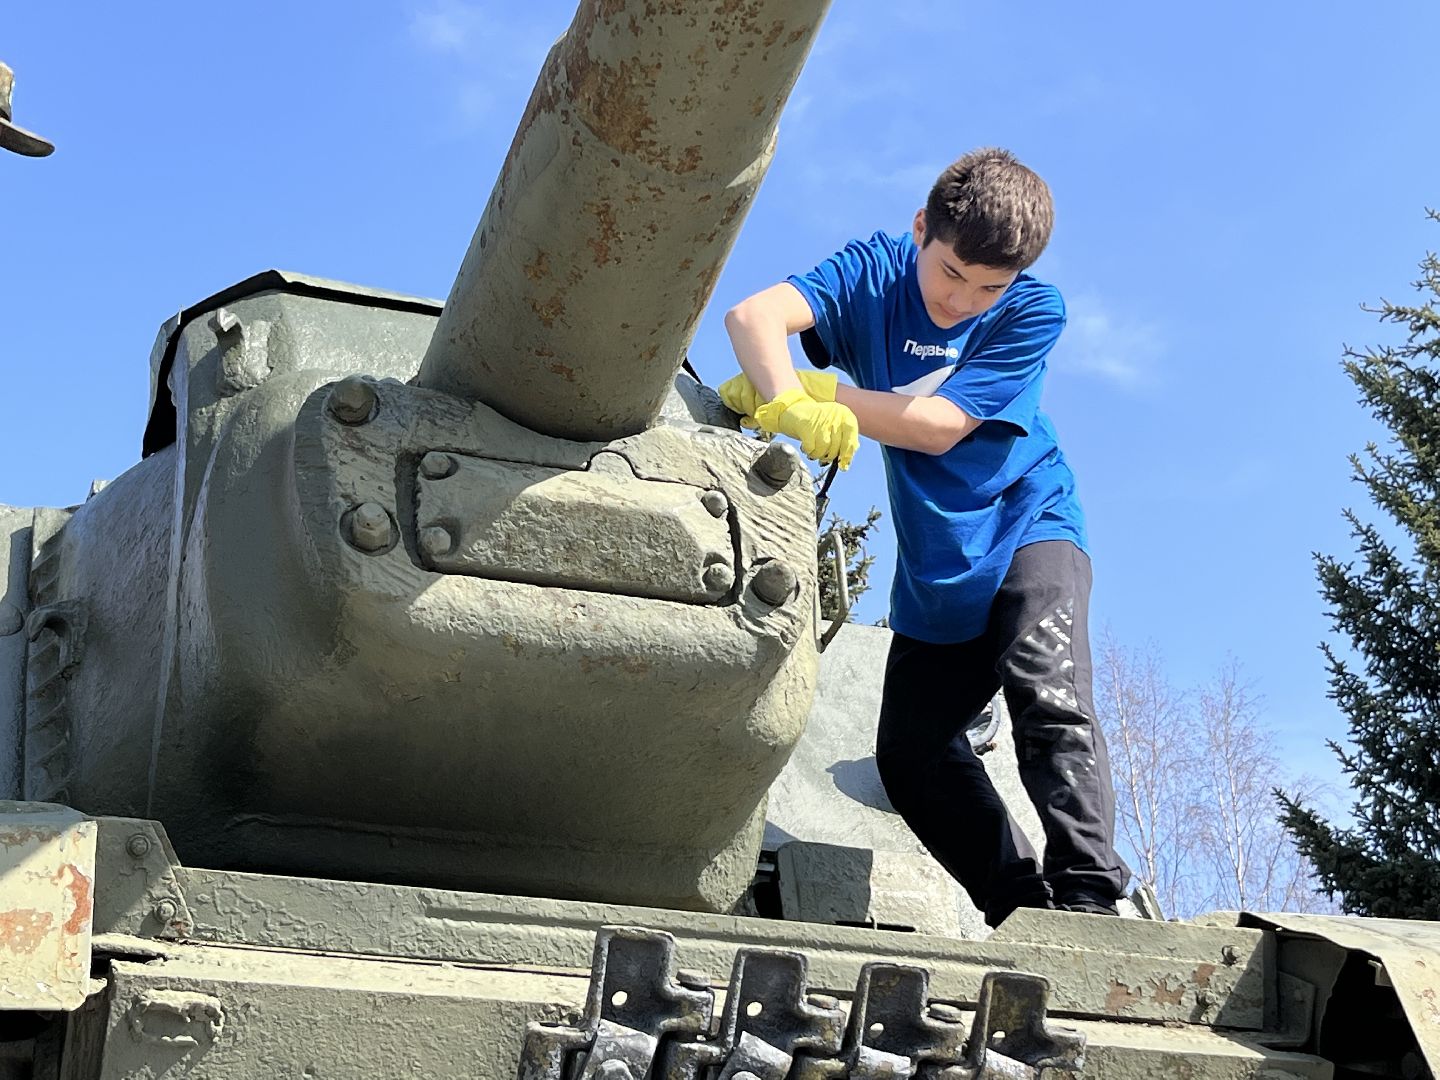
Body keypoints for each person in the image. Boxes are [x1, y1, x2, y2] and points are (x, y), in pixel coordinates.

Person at [719, 148, 1127, 926]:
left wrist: (816, 389)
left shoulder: (1031, 312)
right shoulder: (874, 273)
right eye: (950, 274)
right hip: (938, 567)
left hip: (1027, 525)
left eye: (987, 287)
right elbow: (753, 319)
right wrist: (781, 397)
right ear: (920, 231)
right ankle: (1019, 908)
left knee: (1049, 694)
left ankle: (1087, 902)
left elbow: (939, 429)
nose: (962, 300)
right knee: (911, 759)